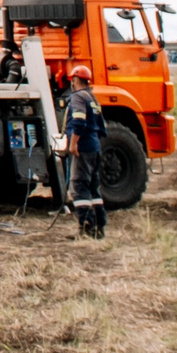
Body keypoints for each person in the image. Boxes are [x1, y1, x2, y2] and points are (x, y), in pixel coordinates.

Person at [63, 63, 107, 238]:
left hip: (83, 147)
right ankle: (98, 228)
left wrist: (73, 143)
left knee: (79, 186)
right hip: (94, 146)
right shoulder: (92, 97)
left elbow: (79, 120)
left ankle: (86, 228)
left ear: (74, 80)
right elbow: (102, 126)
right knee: (93, 188)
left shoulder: (78, 97)